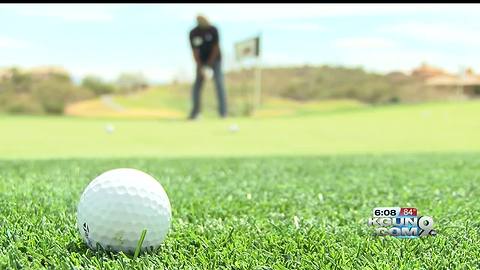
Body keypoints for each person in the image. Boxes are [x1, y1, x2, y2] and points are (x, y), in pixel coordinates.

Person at [188, 15, 227, 120]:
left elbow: (216, 48)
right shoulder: (193, 33)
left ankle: (223, 113)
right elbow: (195, 51)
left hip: (215, 61)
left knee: (219, 84)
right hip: (201, 62)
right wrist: (200, 67)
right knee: (196, 87)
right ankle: (195, 113)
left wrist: (209, 64)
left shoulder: (213, 30)